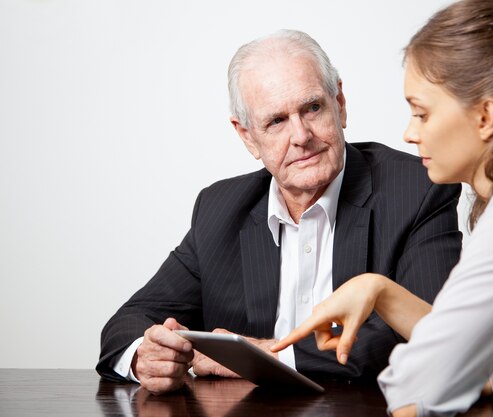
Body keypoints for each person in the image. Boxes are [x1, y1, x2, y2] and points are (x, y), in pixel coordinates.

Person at [271, 1, 493, 416]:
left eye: (421, 113)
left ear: (486, 116)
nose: (409, 132)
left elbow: (419, 389)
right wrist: (379, 290)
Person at [96, 29, 463, 395]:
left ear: (340, 103)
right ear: (247, 137)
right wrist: (145, 356)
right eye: (276, 121)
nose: (301, 135)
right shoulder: (220, 209)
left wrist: (263, 355)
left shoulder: (416, 189)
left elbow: (429, 335)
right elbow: (129, 321)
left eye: (313, 108)